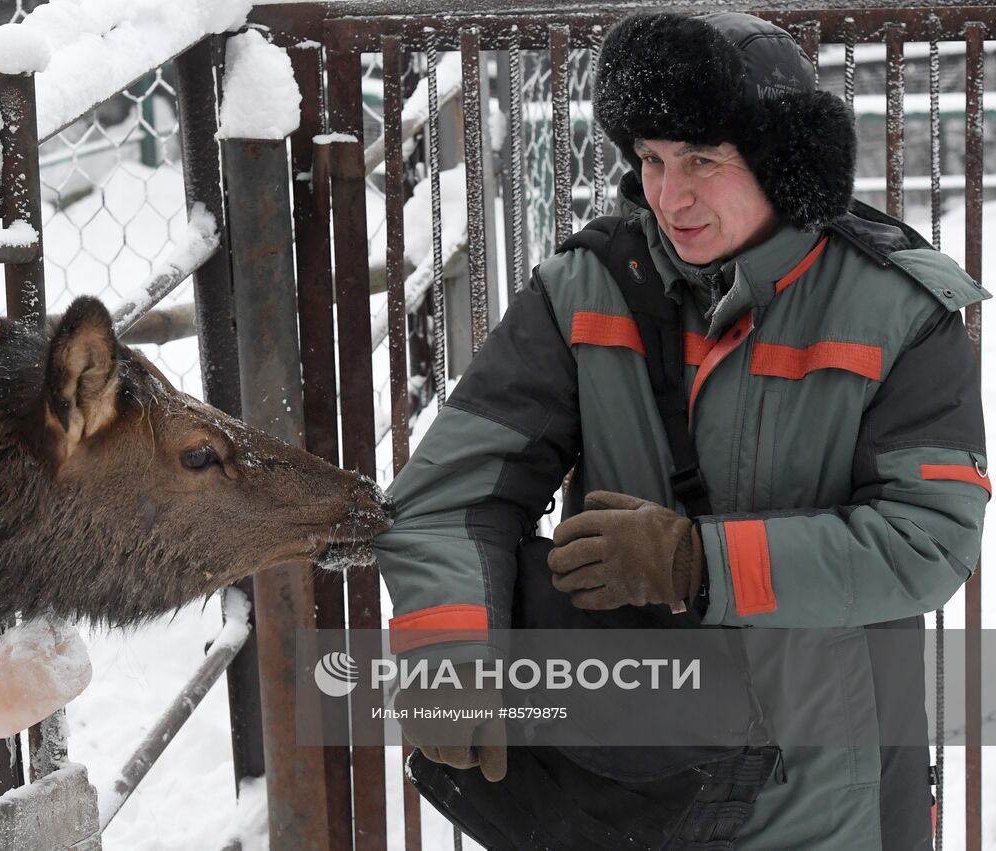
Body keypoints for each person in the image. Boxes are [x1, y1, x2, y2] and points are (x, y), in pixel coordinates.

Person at [374, 11, 988, 850]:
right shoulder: (582, 289)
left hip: (835, 795)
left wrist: (696, 562)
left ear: (784, 160)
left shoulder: (900, 311)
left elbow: (928, 541)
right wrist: (446, 645)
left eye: (702, 160)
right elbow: (449, 495)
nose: (670, 194)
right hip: (630, 788)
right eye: (653, 160)